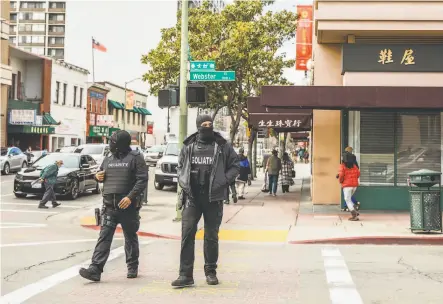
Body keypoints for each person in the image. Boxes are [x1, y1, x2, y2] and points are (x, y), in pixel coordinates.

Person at [172, 115, 239, 288]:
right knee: (187, 236)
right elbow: (180, 167)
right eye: (204, 124)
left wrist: (224, 180)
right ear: (198, 126)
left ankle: (211, 272)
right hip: (192, 198)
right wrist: (183, 181)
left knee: (211, 237)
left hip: (213, 198)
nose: (207, 127)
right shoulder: (188, 147)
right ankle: (185, 275)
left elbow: (235, 166)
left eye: (210, 124)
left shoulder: (222, 146)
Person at [79, 130, 148, 282]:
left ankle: (132, 266)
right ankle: (95, 270)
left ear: (121, 144)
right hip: (109, 206)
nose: (111, 144)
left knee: (130, 237)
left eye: (113, 142)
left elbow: (142, 180)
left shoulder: (136, 158)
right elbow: (100, 174)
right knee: (104, 237)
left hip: (128, 208)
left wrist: (130, 197)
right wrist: (98, 177)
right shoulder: (108, 158)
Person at [338, 153, 361, 221]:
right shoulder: (354, 166)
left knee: (347, 200)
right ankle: (355, 211)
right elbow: (358, 174)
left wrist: (341, 181)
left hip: (347, 185)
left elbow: (341, 176)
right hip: (354, 185)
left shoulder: (342, 166)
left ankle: (354, 215)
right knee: (349, 199)